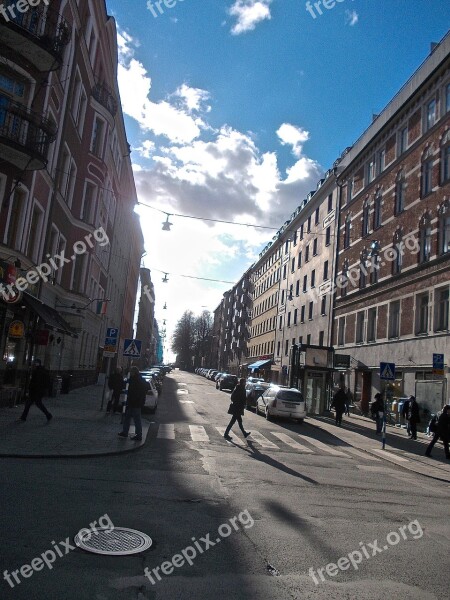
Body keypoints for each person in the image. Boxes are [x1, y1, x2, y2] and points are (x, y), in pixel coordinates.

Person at [118, 367, 149, 441]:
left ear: (134, 372)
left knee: (137, 420)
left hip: (136, 403)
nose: (130, 373)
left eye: (131, 372)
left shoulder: (138, 380)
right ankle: (125, 432)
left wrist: (135, 399)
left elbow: (139, 392)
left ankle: (139, 435)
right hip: (131, 402)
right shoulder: (133, 379)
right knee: (127, 418)